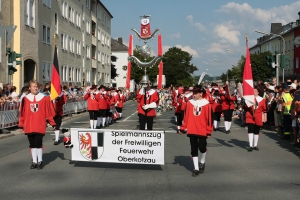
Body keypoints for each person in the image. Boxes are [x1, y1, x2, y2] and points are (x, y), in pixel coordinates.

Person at [18, 79, 56, 169]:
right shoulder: (25, 99)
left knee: (38, 143)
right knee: (32, 144)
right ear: (30, 88)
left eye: (36, 86)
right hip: (29, 125)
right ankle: (34, 161)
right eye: (33, 87)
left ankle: (40, 161)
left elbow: (48, 113)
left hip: (40, 125)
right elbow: (22, 113)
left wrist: (53, 124)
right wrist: (21, 125)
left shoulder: (44, 98)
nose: (35, 88)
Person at [179, 85, 213, 177]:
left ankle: (202, 162)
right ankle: (196, 168)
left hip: (202, 129)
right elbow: (186, 117)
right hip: (192, 129)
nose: (194, 95)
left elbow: (209, 119)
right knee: (193, 149)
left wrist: (209, 131)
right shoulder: (189, 103)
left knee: (202, 148)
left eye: (196, 93)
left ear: (201, 93)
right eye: (193, 93)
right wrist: (183, 128)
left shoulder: (207, 104)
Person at [245, 85, 267, 151]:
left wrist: (264, 117)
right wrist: (249, 104)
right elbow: (245, 107)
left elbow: (264, 109)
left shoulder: (262, 100)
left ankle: (255, 145)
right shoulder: (249, 99)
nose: (254, 92)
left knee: (256, 131)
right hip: (250, 116)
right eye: (253, 91)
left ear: (258, 92)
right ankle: (250, 145)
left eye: (256, 91)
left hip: (258, 116)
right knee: (250, 130)